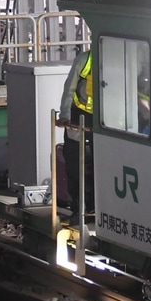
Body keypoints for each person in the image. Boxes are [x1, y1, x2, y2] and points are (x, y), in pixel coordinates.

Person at [57, 48, 95, 212]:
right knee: (74, 160)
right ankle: (78, 204)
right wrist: (65, 115)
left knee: (97, 162)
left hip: (104, 119)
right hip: (78, 115)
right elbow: (69, 89)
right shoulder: (85, 60)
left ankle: (93, 204)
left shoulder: (117, 58)